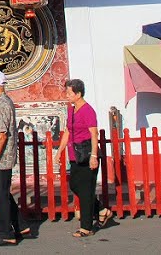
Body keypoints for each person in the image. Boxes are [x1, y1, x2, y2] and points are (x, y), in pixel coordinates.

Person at [54, 78, 113, 238]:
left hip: (87, 154)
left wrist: (94, 156)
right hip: (75, 155)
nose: (67, 95)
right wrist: (60, 150)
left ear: (78, 93)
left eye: (69, 92)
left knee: (87, 189)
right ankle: (101, 210)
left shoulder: (88, 111)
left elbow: (94, 134)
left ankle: (86, 227)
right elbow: (67, 131)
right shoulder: (71, 110)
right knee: (75, 185)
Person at [0, 70, 31, 247]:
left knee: (1, 196)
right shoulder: (1, 102)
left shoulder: (2, 104)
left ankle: (6, 233)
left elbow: (2, 135)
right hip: (3, 157)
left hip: (1, 159)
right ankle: (21, 225)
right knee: (4, 193)